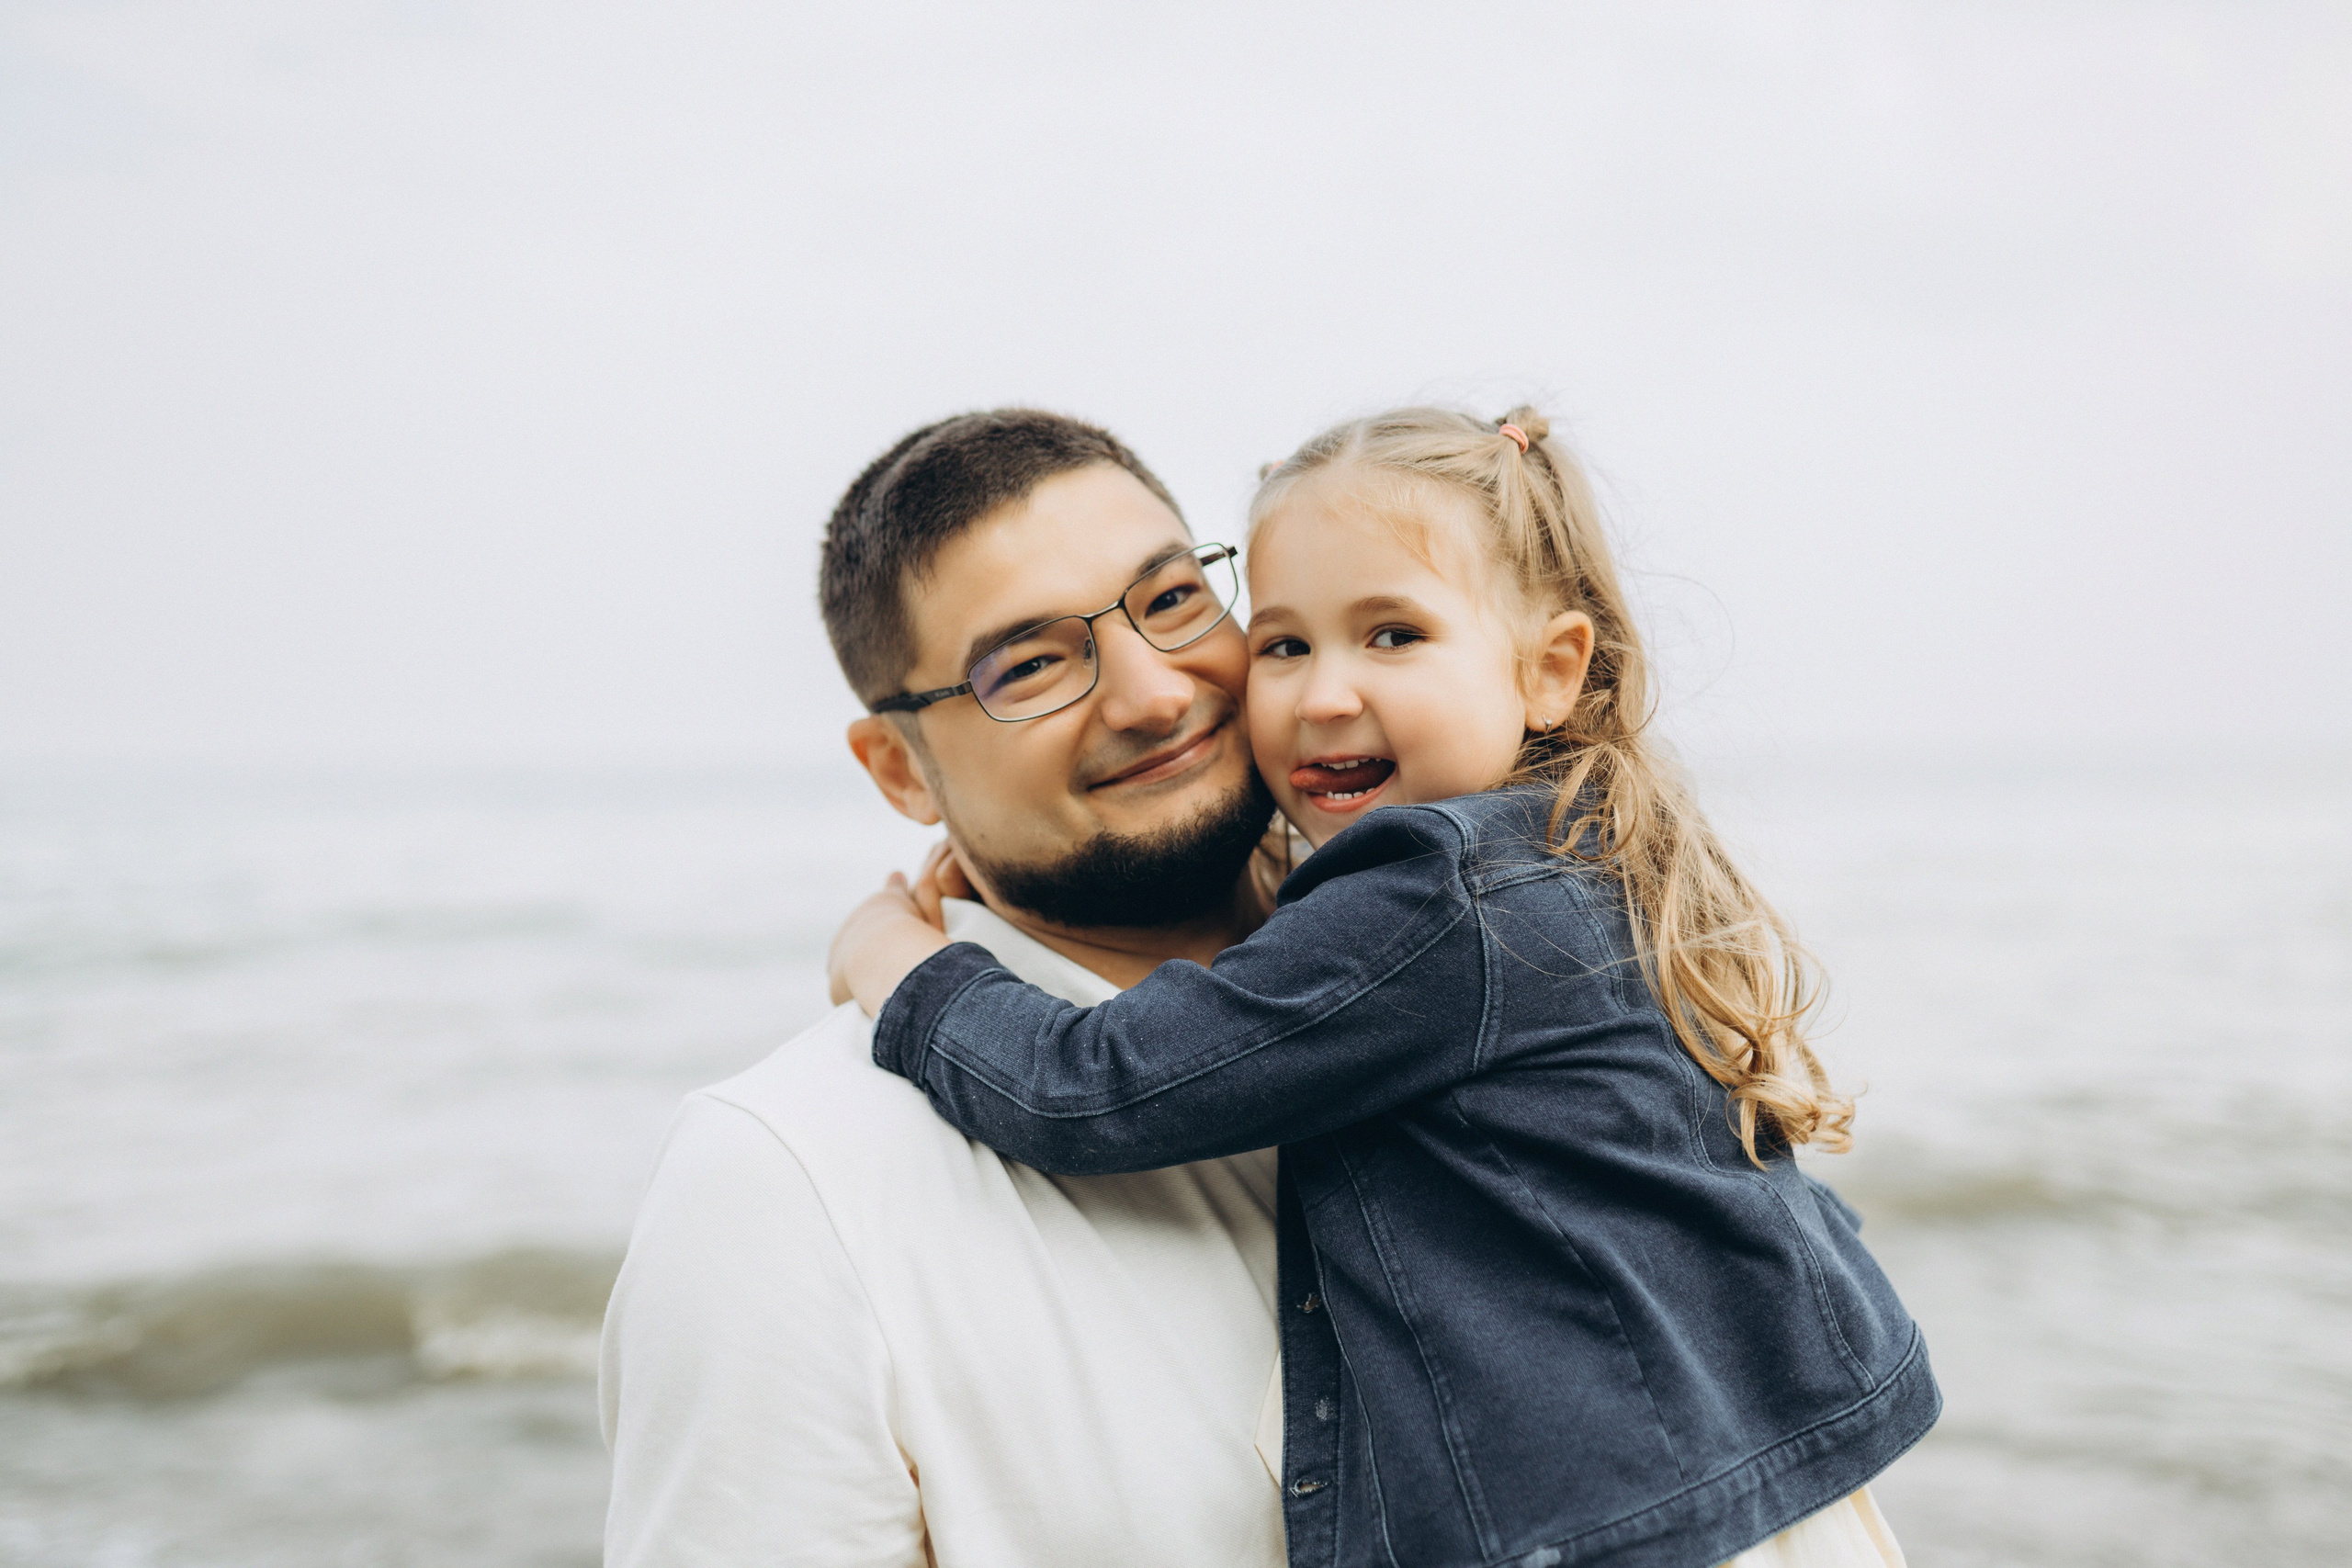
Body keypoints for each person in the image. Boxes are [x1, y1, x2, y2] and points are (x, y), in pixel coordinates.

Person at [833, 407, 1939, 1568]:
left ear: (1551, 669)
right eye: (1285, 645)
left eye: (1394, 636)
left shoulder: (1434, 894)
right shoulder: (1559, 852)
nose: (1322, 696)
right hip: (1742, 1490)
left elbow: (1092, 1089)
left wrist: (898, 963)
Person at [599, 410, 1295, 1566]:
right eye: (1027, 666)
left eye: (1172, 601)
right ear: (897, 770)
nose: (1151, 694)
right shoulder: (786, 1184)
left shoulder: (1472, 1001)